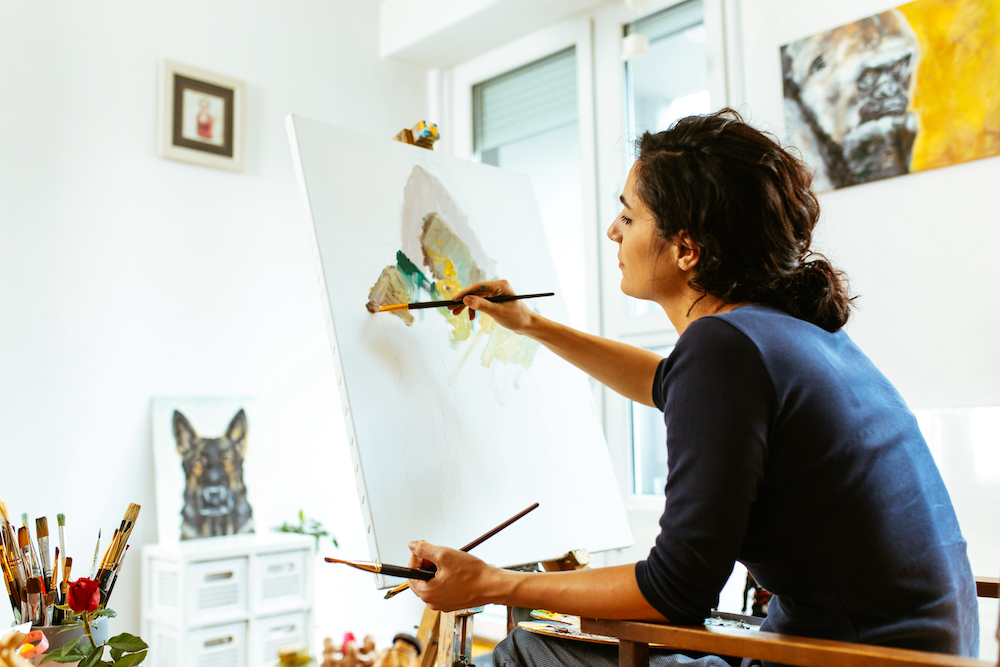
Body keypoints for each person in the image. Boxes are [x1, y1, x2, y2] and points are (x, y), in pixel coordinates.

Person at [404, 109, 980, 667]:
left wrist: (494, 585)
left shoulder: (723, 350)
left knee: (529, 650)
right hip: (912, 651)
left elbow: (675, 588)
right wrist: (533, 326)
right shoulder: (788, 334)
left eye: (627, 218)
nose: (612, 231)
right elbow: (664, 381)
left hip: (839, 660)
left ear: (686, 249)